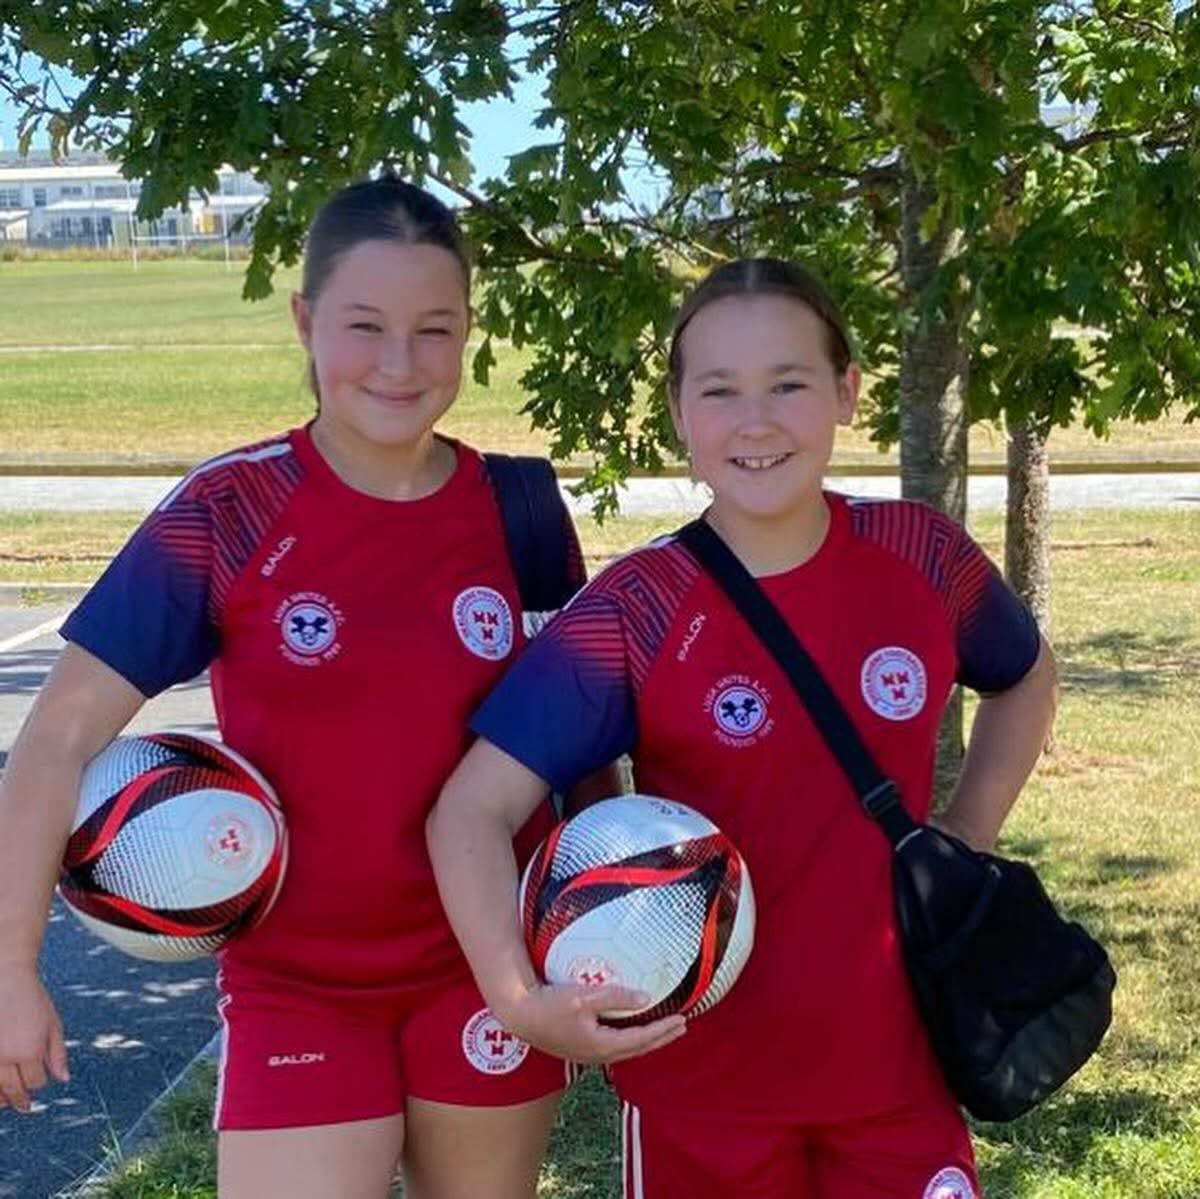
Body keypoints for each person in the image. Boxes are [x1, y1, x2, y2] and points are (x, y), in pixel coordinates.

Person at [0, 175, 645, 1199]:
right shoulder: (233, 508)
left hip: (487, 975)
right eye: (364, 324)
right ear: (305, 321)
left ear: (469, 330)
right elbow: (58, 735)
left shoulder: (518, 510)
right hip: (297, 985)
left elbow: (578, 762)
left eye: (434, 328)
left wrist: (611, 927)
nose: (399, 362)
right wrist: (12, 964)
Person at [426, 257, 1059, 1199]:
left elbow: (1026, 676)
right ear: (680, 413)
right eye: (719, 390)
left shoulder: (922, 557)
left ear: (847, 391)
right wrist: (520, 1003)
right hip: (701, 1087)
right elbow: (469, 812)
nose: (755, 420)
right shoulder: (637, 608)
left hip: (900, 1071)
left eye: (789, 383)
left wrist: (967, 831)